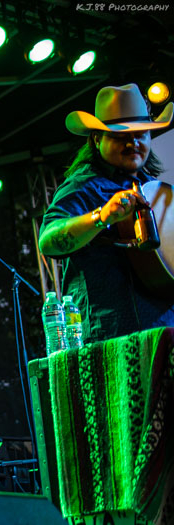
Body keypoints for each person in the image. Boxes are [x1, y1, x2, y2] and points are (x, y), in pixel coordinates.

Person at [39, 83, 173, 343]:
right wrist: (100, 216)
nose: (133, 142)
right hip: (110, 340)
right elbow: (47, 240)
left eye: (141, 134)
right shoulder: (83, 186)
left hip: (165, 335)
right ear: (97, 139)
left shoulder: (159, 192)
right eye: (120, 136)